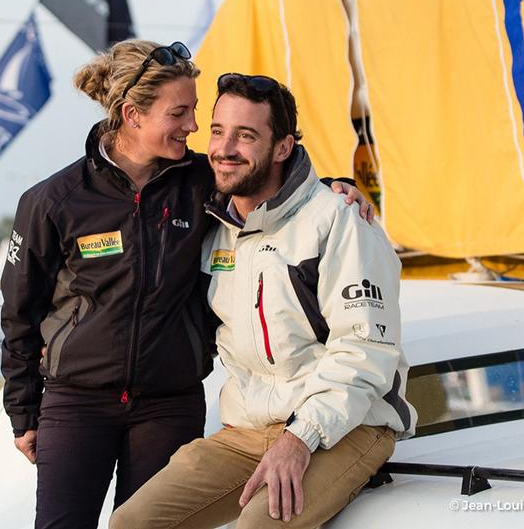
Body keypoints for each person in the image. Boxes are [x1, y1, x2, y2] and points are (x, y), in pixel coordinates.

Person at [0, 40, 370, 529]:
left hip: (167, 402)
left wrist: (337, 186)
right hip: (78, 403)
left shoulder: (201, 182)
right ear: (133, 115)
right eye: (180, 113)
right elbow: (19, 312)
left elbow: (274, 181)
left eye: (195, 111)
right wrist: (23, 411)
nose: (194, 127)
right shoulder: (54, 200)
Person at [111, 74, 416, 529]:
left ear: (282, 147)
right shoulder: (214, 227)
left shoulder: (338, 221)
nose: (224, 147)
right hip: (250, 431)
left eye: (246, 135)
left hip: (349, 424)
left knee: (259, 525)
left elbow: (365, 350)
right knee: (132, 523)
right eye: (217, 131)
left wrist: (300, 438)